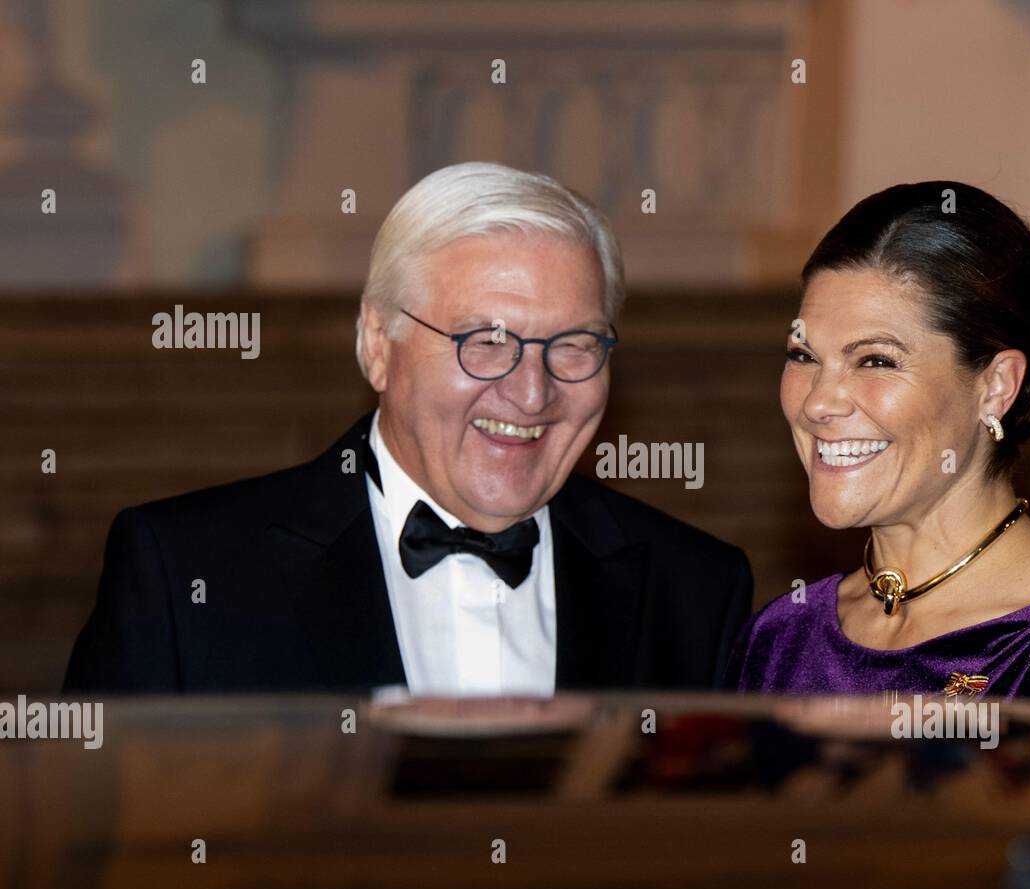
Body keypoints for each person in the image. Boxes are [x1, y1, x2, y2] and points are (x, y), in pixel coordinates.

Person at [65, 162, 752, 695]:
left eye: (574, 344)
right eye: (484, 339)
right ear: (376, 344)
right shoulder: (186, 573)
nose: (532, 391)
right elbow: (90, 857)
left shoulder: (694, 590)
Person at [726, 182, 1030, 705]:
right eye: (803, 355)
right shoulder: (779, 639)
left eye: (875, 360)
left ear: (996, 385)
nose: (818, 403)